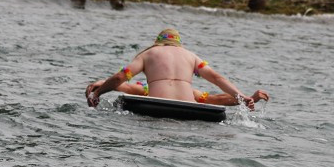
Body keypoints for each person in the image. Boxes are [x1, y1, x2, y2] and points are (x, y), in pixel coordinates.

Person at [86, 28, 254, 108]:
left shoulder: (148, 54)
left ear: (158, 41)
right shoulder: (192, 56)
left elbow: (120, 78)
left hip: (155, 107)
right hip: (190, 109)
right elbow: (218, 79)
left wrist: (97, 93)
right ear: (178, 43)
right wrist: (242, 97)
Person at [85, 78, 270, 110]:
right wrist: (100, 85)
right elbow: (123, 86)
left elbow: (219, 99)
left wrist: (250, 98)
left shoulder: (191, 92)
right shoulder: (147, 88)